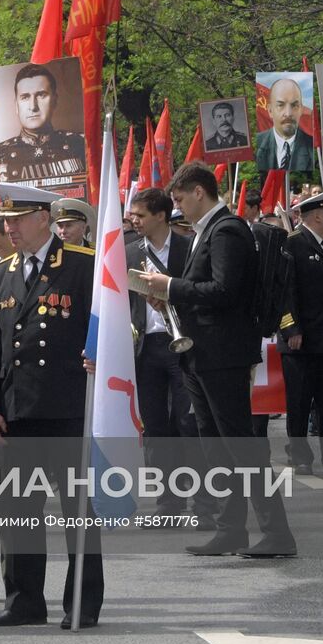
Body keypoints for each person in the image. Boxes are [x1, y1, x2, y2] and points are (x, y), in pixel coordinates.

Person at [137, 162, 296, 558]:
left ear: (198, 193)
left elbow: (224, 289)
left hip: (222, 353)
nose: (177, 209)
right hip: (201, 352)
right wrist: (168, 296)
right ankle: (230, 528)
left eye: (179, 200)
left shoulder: (226, 230)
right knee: (216, 446)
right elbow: (204, 290)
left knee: (242, 445)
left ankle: (276, 531)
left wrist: (171, 285)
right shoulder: (203, 232)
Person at [0, 182, 103, 628]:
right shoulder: (1, 273)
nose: (8, 228)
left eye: (17, 220)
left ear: (44, 219)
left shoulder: (83, 265)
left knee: (78, 511)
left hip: (69, 406)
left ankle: (82, 603)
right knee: (18, 512)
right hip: (17, 411)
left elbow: (116, 327)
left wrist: (102, 359)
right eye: (5, 221)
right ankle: (24, 599)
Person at [126, 189, 199, 518]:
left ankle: (203, 501)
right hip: (146, 348)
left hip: (183, 345)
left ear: (160, 215)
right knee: (155, 428)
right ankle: (167, 503)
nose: (134, 221)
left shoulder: (188, 248)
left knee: (188, 422)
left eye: (140, 215)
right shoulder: (128, 253)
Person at [276, 190, 323, 477]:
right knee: (299, 403)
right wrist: (290, 327)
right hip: (302, 340)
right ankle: (300, 456)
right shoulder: (291, 245)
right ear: (317, 216)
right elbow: (284, 291)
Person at [0, 63, 86, 184]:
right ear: (16, 105)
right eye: (25, 97)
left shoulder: (80, 144)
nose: (33, 107)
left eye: (41, 95)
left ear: (55, 100)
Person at [254, 78, 315, 171]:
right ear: (270, 110)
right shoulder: (257, 145)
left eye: (294, 105)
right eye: (280, 105)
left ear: (301, 110)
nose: (288, 113)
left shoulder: (313, 147)